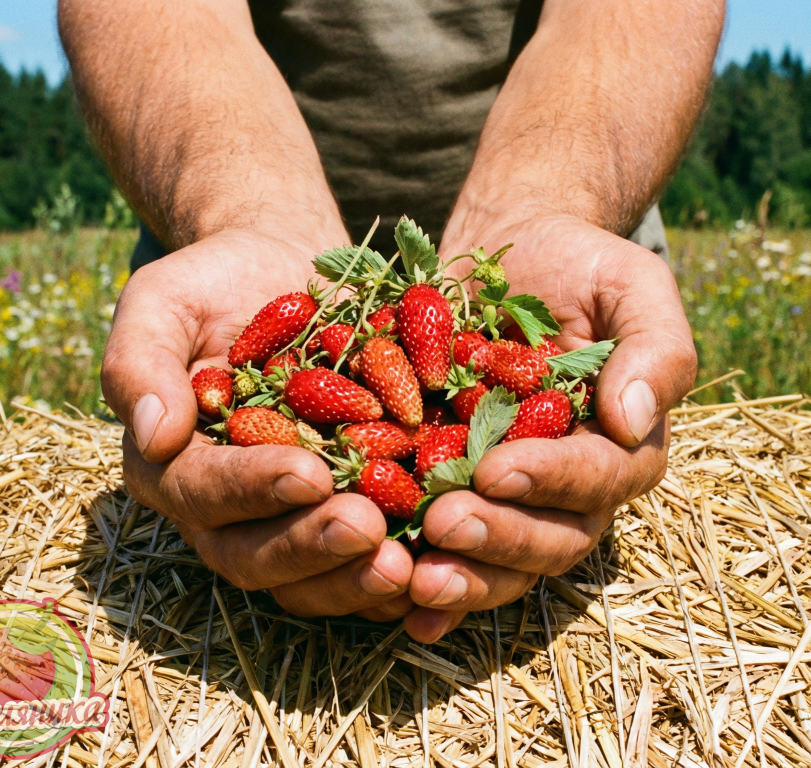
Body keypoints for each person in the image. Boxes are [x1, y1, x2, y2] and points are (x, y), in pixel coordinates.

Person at [59, 0, 722, 643]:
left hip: (577, 215)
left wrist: (546, 206)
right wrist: (242, 214)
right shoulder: (318, 348)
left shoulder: (486, 350)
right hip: (216, 227)